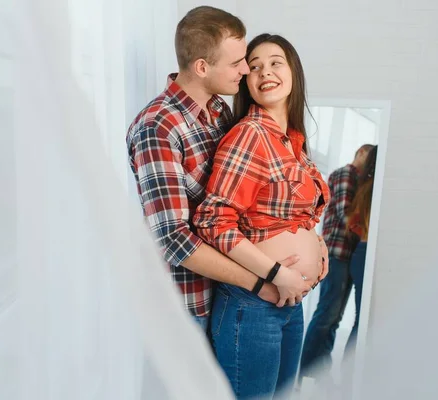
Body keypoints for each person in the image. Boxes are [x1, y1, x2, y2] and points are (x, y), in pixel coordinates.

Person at [126, 7, 300, 331]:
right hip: (187, 309)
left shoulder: (220, 110)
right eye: (236, 63)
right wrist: (262, 281)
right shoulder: (158, 128)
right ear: (202, 67)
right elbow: (174, 240)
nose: (245, 70)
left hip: (228, 296)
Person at [193, 33, 330, 399]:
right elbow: (212, 221)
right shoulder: (250, 134)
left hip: (290, 301)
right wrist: (276, 272)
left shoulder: (293, 141)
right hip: (252, 304)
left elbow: (283, 213)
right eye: (253, 67)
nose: (264, 72)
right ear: (246, 82)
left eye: (275, 63)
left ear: (294, 73)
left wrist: (317, 243)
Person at [300, 143, 373, 380]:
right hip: (337, 253)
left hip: (345, 255)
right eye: (369, 157)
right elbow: (345, 214)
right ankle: (306, 372)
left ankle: (319, 372)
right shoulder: (346, 174)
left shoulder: (356, 178)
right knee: (326, 315)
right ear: (361, 153)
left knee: (334, 318)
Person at [343, 145, 378, 358]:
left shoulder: (367, 186)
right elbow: (351, 222)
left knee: (362, 320)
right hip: (364, 254)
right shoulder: (372, 188)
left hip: (361, 252)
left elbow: (353, 223)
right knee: (363, 321)